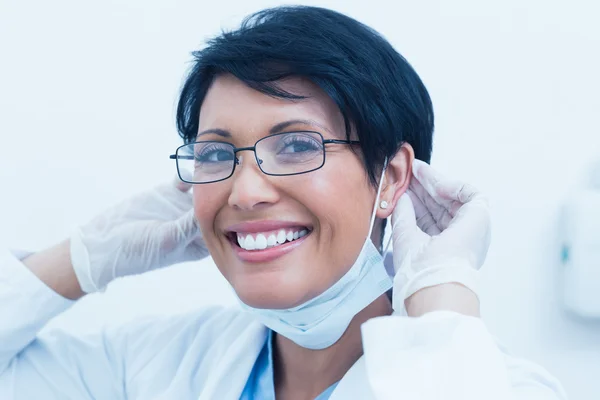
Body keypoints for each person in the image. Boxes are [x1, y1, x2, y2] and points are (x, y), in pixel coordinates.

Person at [0, 5, 566, 400]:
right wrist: (81, 260)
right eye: (217, 155)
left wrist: (441, 298)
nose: (245, 192)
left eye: (297, 145)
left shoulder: (505, 387)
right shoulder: (158, 365)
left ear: (391, 177)